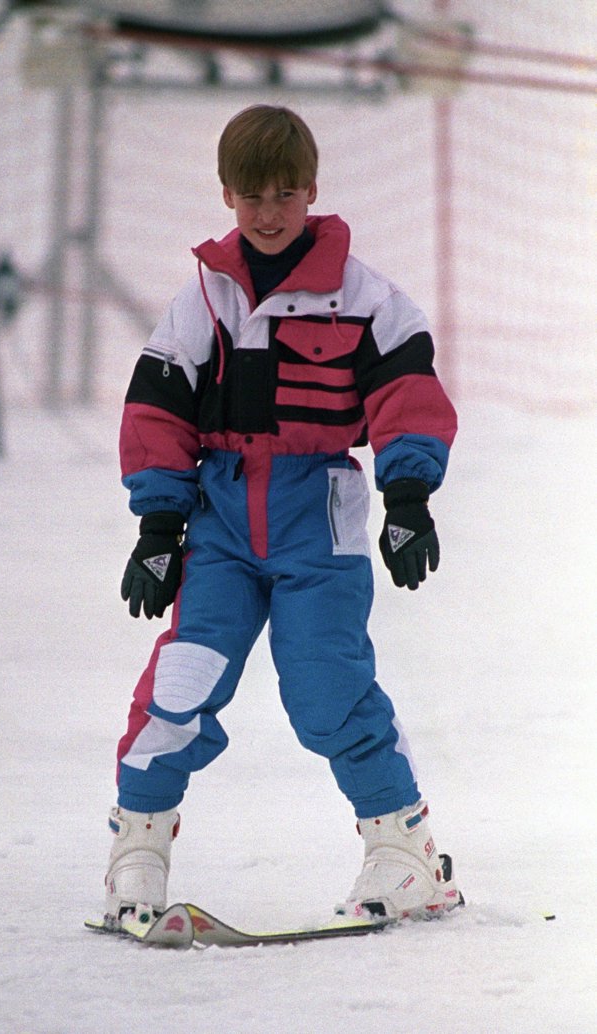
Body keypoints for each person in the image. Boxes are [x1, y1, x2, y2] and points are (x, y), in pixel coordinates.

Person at [103, 104, 462, 931]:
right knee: (180, 686)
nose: (269, 215)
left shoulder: (363, 296)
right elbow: (156, 407)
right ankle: (137, 853)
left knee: (326, 684)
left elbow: (407, 393)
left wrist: (408, 498)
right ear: (226, 194)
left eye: (286, 195)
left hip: (318, 516)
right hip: (222, 521)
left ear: (312, 193)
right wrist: (160, 528)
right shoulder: (204, 297)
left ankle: (404, 853)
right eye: (253, 196)